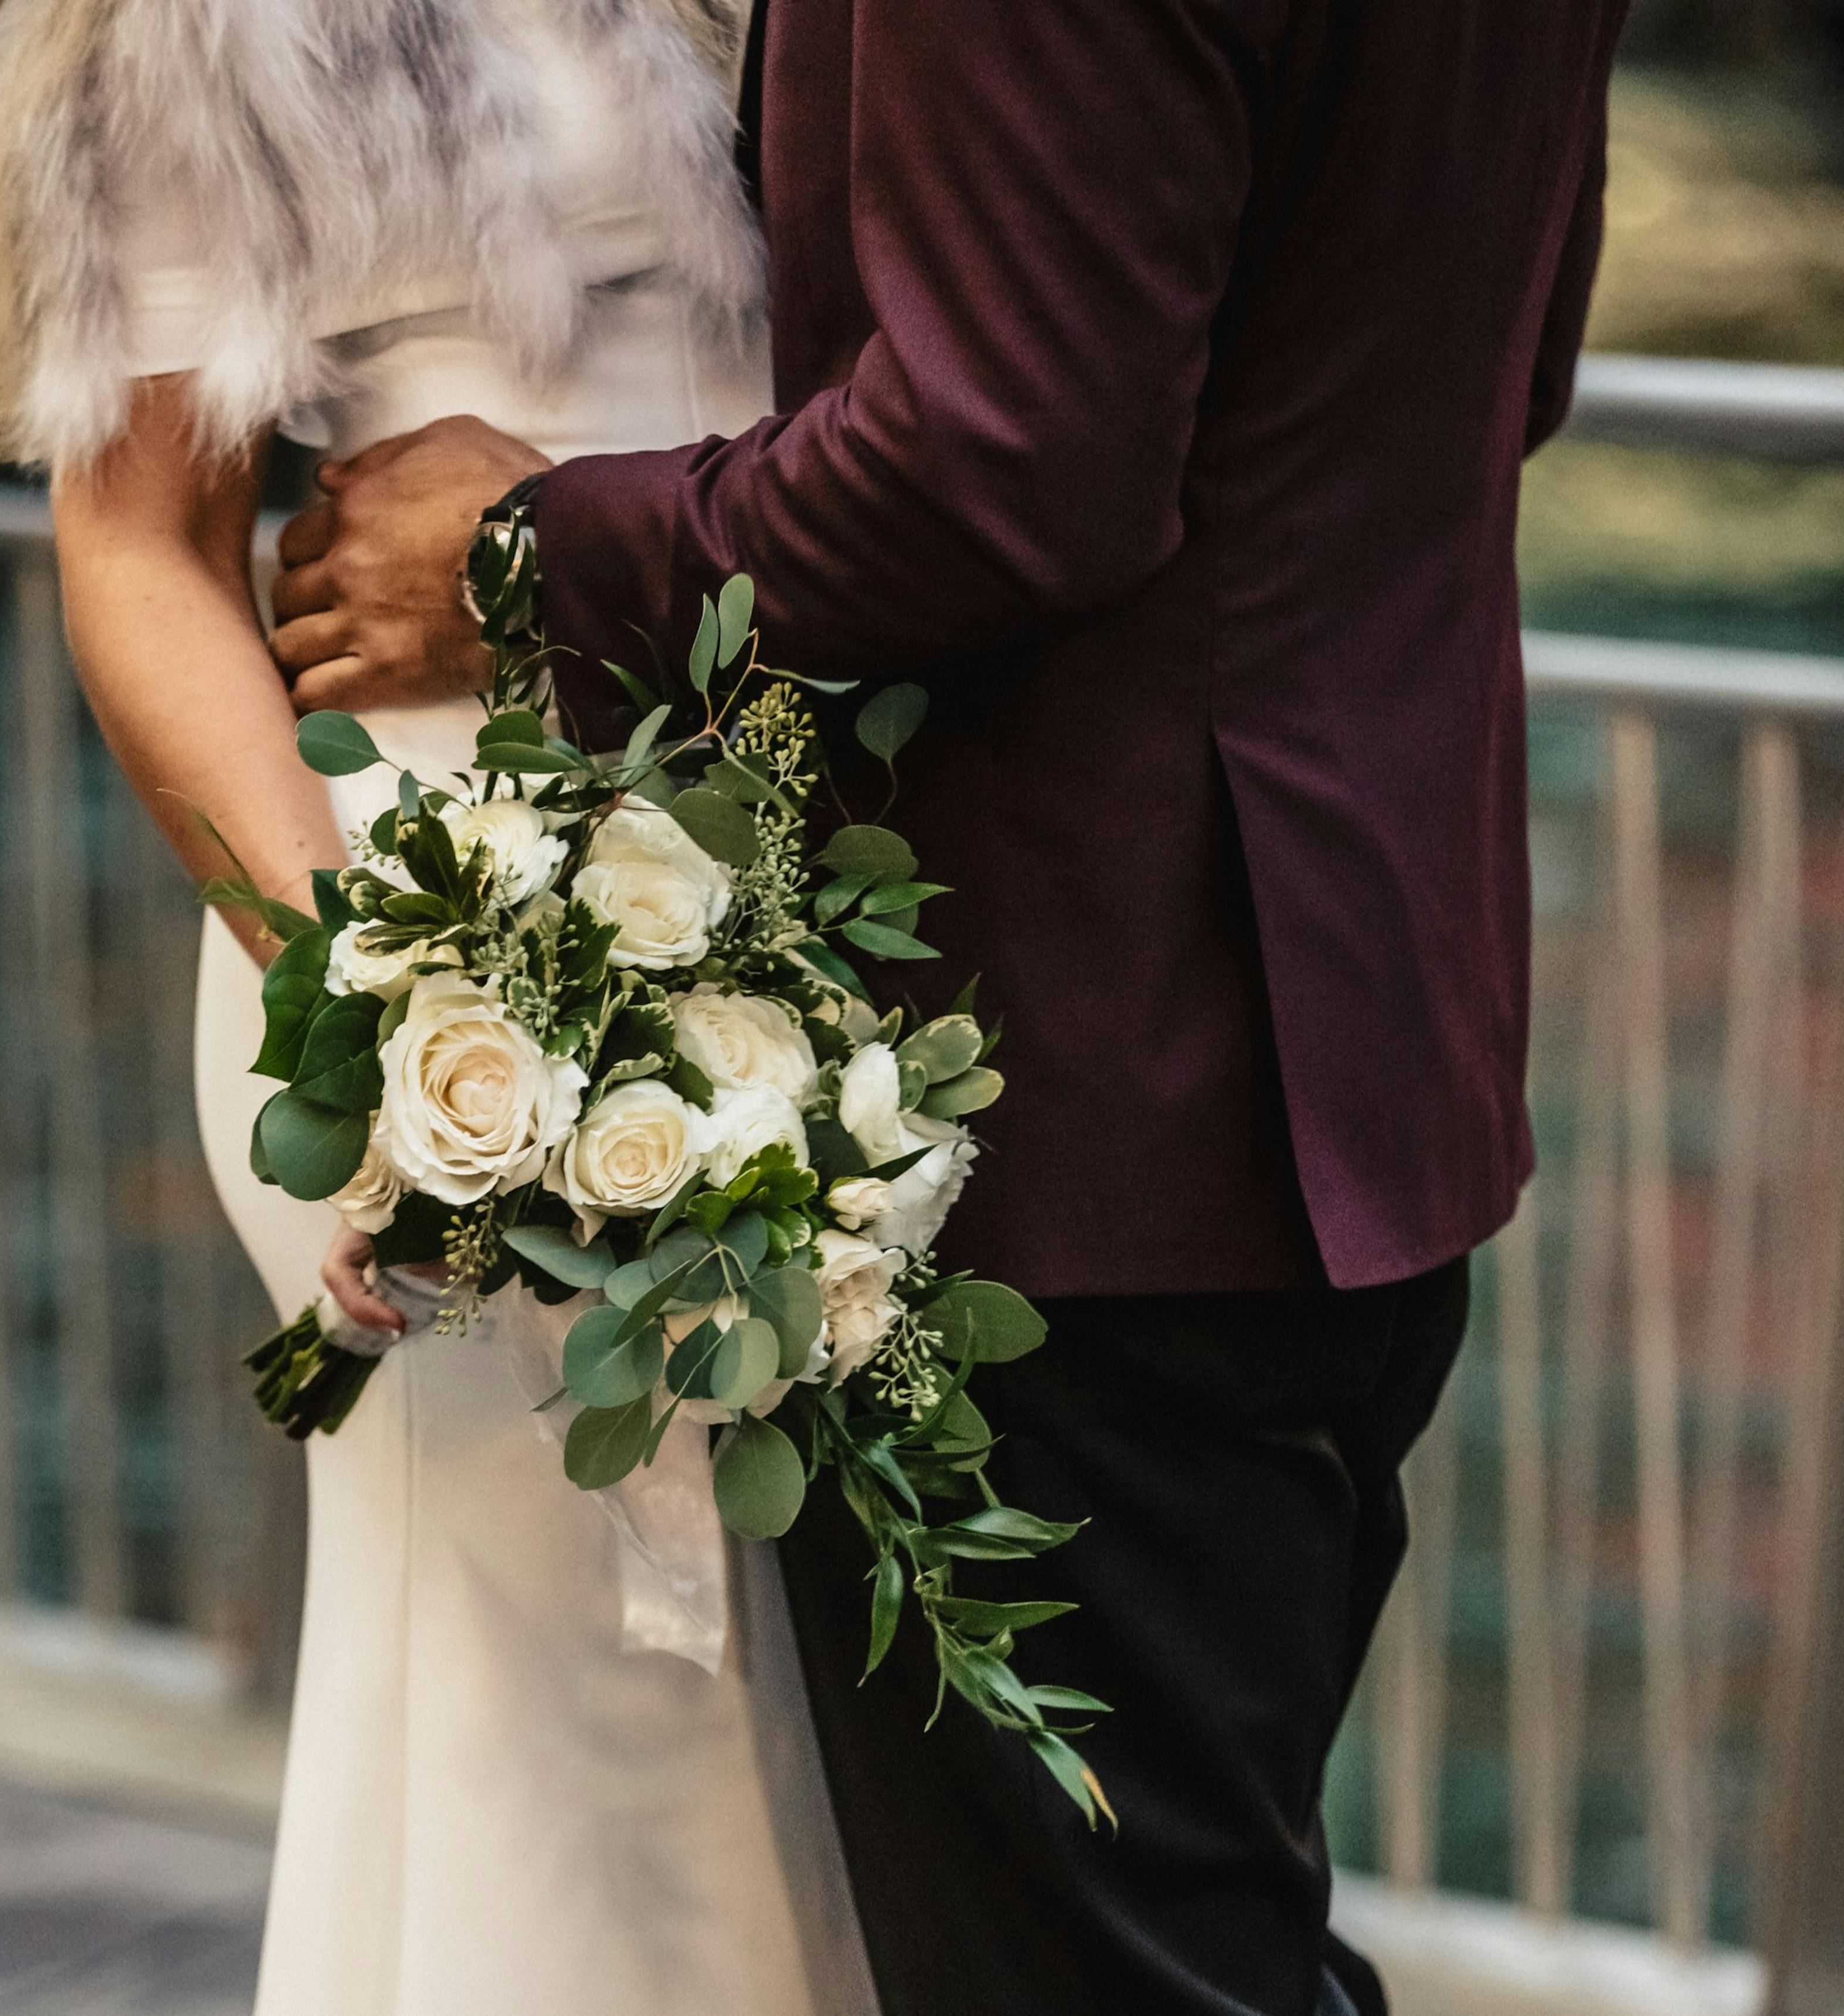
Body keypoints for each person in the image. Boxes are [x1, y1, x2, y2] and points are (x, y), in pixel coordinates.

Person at [268, 0, 1635, 2011]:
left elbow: (1005, 466)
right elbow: (1500, 361)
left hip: (1082, 1095)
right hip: (1366, 1038)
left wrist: (529, 547)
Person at [0, 2, 876, 2012]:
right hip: (474, 931)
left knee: (827, 1778)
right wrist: (397, 1025)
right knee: (581, 1768)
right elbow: (147, 544)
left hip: (832, 876)